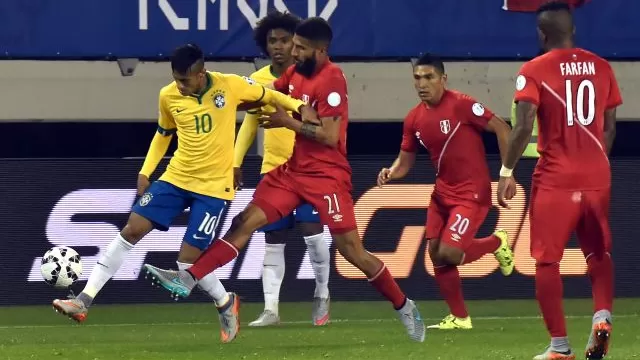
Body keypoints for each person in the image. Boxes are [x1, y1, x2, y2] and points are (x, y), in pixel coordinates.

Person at [144, 17, 426, 343]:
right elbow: (264, 96)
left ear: (321, 50)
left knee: (352, 251)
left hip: (327, 177)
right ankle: (189, 278)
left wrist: (284, 122)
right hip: (292, 172)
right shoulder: (295, 73)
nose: (293, 52)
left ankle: (404, 305)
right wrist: (223, 94)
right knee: (243, 222)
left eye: (300, 47)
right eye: (293, 45)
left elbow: (330, 136)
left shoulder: (332, 80)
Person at [53, 43, 310, 344]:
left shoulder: (231, 86)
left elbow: (269, 95)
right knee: (132, 228)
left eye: (185, 80)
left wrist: (298, 107)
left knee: (187, 263)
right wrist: (146, 172)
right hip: (176, 177)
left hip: (214, 190)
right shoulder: (168, 95)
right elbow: (163, 135)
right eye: (176, 79)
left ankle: (225, 302)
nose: (180, 85)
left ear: (201, 74)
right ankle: (83, 300)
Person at [496, 2, 621, 359]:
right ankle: (602, 317)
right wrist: (593, 163)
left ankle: (560, 348)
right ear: (573, 30)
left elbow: (522, 126)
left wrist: (506, 172)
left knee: (547, 262)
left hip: (556, 179)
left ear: (541, 33)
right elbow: (610, 127)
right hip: (598, 175)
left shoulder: (534, 69)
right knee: (599, 252)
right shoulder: (602, 67)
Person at [378, 53, 516, 330]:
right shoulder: (413, 119)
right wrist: (392, 172)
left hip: (471, 193)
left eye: (428, 77)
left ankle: (496, 243)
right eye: (417, 78)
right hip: (442, 194)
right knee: (435, 254)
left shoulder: (462, 105)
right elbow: (405, 161)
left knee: (450, 253)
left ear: (443, 79)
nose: (422, 84)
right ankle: (460, 318)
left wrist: (506, 173)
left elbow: (502, 129)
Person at [234, 11, 331, 327]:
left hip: (310, 170)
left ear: (297, 43)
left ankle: (322, 295)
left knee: (314, 235)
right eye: (272, 40)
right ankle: (271, 310)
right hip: (274, 170)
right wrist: (236, 162)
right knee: (272, 239)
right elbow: (250, 123)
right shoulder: (259, 80)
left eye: (285, 40)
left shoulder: (312, 77)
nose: (278, 46)